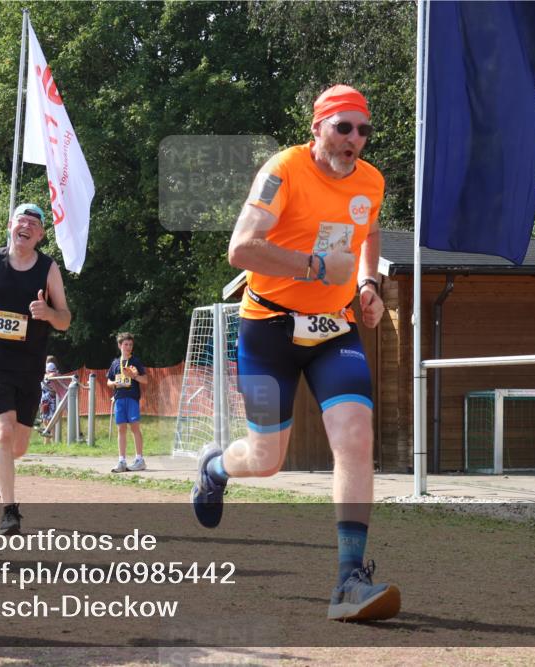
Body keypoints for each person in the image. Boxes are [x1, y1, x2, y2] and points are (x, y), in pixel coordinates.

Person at [190, 85, 397, 622]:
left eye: (363, 130)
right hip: (268, 333)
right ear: (318, 129)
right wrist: (310, 266)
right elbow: (240, 248)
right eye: (343, 128)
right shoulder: (283, 170)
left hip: (335, 332)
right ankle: (214, 468)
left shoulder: (370, 181)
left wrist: (368, 283)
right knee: (267, 460)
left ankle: (349, 580)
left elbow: (369, 230)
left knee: (355, 439)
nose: (355, 140)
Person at [0, 203, 71, 535]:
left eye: (33, 223)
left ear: (40, 235)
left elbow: (65, 319)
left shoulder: (49, 269)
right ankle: (9, 511)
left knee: (17, 446)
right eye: (21, 219)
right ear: (10, 225)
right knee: (4, 430)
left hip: (30, 366)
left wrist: (48, 313)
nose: (26, 225)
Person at [106, 332, 148, 472]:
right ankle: (121, 461)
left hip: (132, 398)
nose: (128, 347)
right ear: (120, 345)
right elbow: (108, 381)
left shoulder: (135, 362)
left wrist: (134, 376)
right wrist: (114, 383)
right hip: (119, 398)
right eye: (125, 344)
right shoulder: (115, 363)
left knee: (134, 427)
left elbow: (145, 380)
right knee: (121, 428)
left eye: (130, 345)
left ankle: (139, 459)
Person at [39, 355, 61, 433]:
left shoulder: (54, 374)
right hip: (46, 400)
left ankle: (52, 441)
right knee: (46, 421)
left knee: (50, 421)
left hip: (49, 399)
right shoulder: (48, 374)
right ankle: (48, 442)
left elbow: (54, 387)